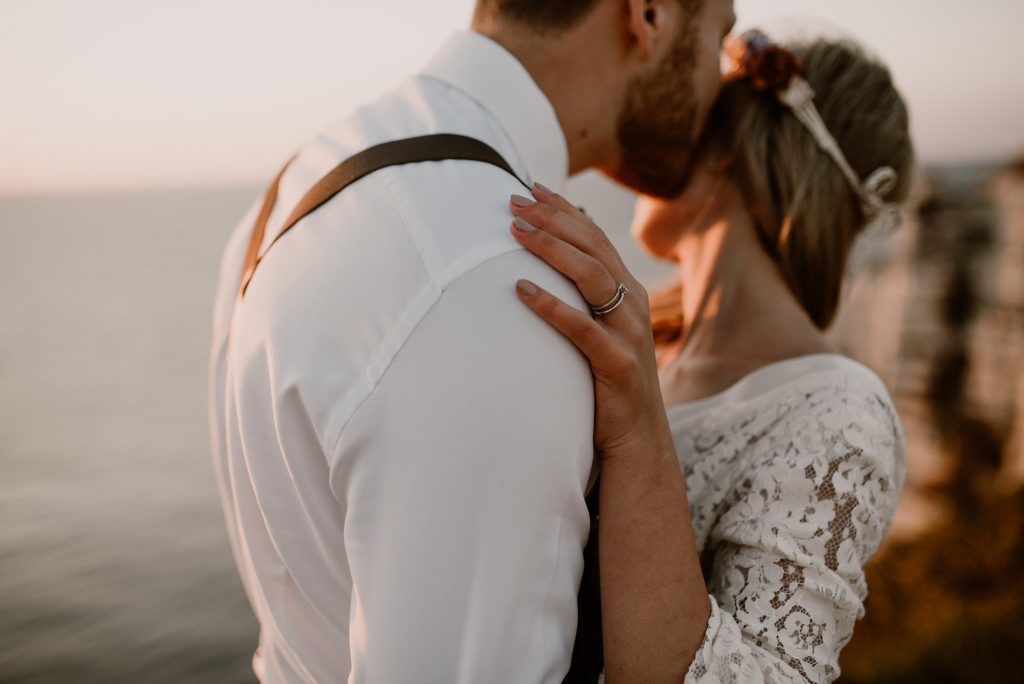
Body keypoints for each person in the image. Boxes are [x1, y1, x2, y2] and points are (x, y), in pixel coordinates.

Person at [207, 1, 736, 681]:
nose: (723, 83)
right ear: (649, 16)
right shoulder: (498, 282)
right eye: (719, 36)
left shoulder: (304, 177)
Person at [506, 30, 913, 681]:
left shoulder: (837, 415)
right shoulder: (645, 342)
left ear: (725, 150)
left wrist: (639, 426)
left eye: (687, 129)